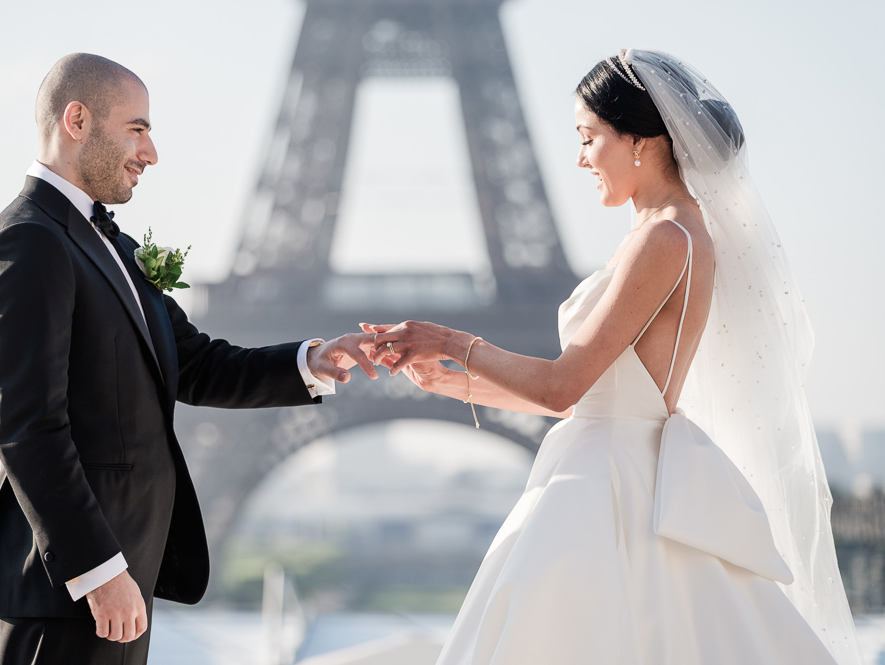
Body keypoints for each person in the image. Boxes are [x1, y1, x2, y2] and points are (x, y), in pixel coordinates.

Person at [366, 49, 861, 664]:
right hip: (615, 465)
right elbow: (591, 397)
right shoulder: (666, 230)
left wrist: (453, 343)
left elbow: (562, 388)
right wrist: (451, 382)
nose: (580, 158)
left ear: (641, 139)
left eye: (589, 137)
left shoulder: (665, 236)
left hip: (605, 486)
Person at [0, 53, 377, 665]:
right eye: (138, 128)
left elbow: (196, 364)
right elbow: (28, 428)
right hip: (75, 585)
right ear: (77, 119)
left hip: (121, 575)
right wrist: (98, 572)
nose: (151, 153)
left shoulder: (108, 243)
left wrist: (313, 360)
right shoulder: (27, 240)